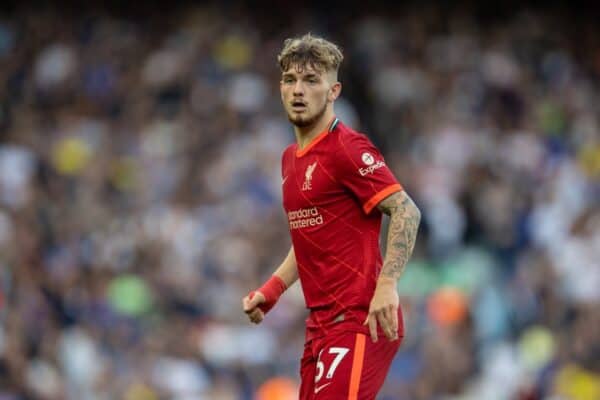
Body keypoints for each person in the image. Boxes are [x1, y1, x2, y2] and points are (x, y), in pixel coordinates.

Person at [242, 33, 421, 400]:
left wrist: (387, 285)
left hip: (361, 319)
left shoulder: (347, 148)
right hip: (320, 327)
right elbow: (308, 238)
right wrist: (272, 290)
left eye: (311, 80)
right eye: (291, 80)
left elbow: (406, 210)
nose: (298, 90)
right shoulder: (290, 159)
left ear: (334, 90)